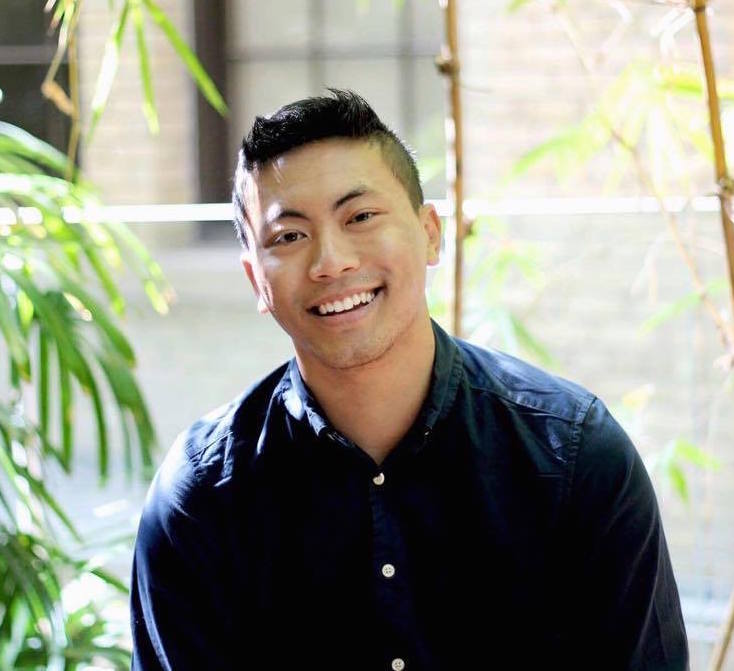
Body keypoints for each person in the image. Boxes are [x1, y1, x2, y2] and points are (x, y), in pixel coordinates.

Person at [130, 89, 689, 670]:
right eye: (289, 236)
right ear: (256, 280)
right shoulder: (202, 499)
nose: (331, 262)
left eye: (360, 217)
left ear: (430, 233)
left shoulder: (574, 457)